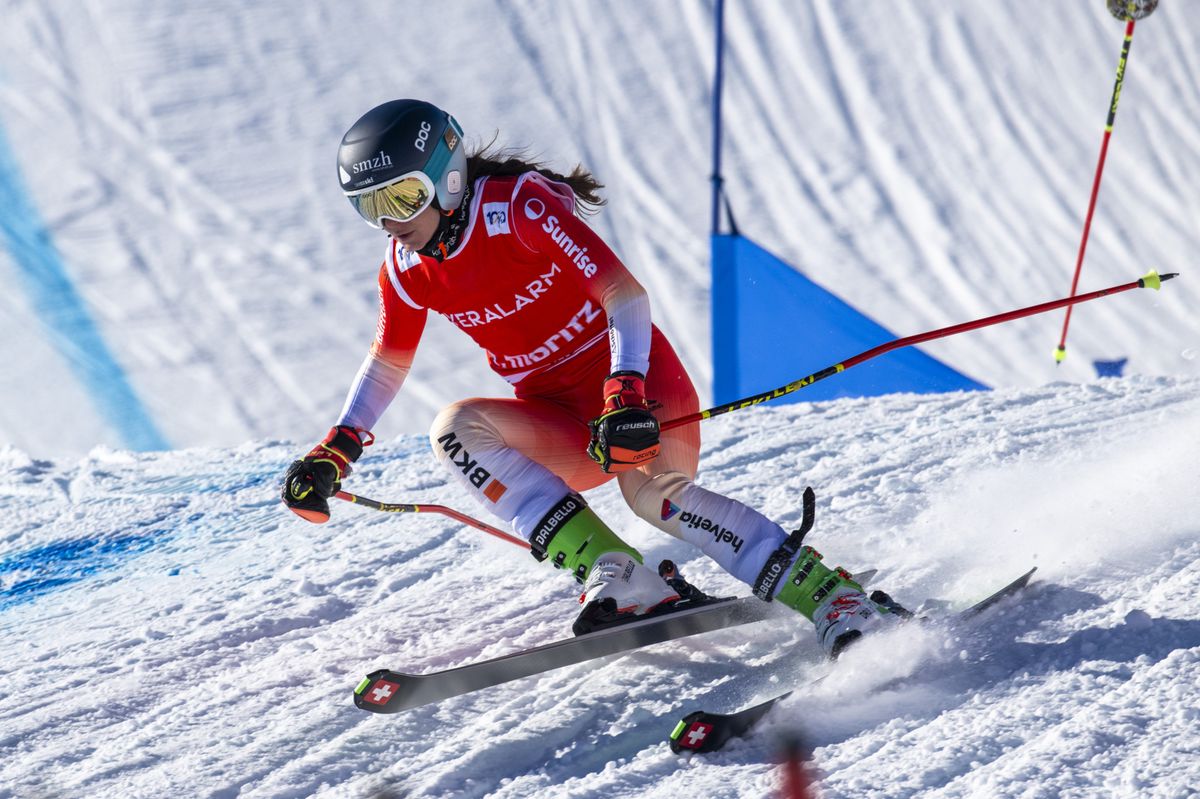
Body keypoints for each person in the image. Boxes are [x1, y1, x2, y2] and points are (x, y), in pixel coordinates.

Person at [281, 99, 904, 656]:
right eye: (370, 207)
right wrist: (338, 448)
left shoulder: (516, 208)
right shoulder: (405, 268)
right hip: (566, 424)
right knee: (455, 429)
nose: (389, 221)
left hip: (638, 390)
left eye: (400, 199)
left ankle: (834, 599)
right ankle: (619, 575)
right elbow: (389, 359)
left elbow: (624, 297)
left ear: (446, 177)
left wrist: (624, 391)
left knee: (652, 494)